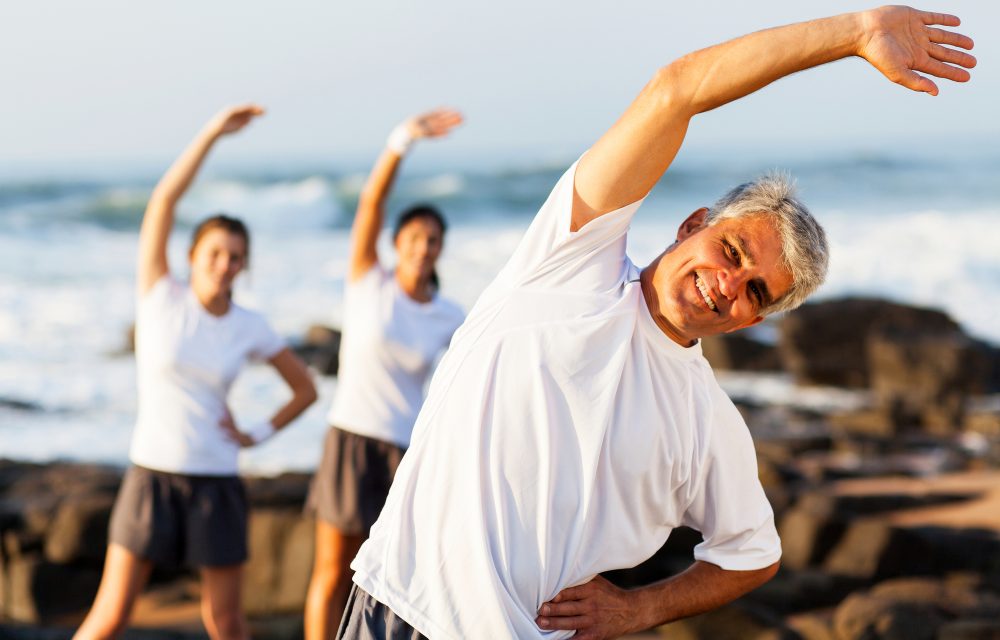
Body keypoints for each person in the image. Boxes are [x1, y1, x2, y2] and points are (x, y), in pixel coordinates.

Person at [340, 6, 975, 639]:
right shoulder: (568, 261)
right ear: (694, 224)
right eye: (731, 252)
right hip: (402, 609)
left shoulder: (707, 422)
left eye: (756, 291)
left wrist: (639, 609)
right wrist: (854, 33)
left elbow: (753, 553)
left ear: (755, 320)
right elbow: (676, 91)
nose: (728, 285)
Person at [74, 105, 318, 640]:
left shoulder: (250, 326)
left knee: (225, 621)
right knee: (111, 615)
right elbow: (163, 200)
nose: (224, 264)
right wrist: (212, 134)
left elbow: (305, 389)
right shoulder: (161, 296)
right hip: (151, 475)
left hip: (216, 480)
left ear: (244, 266)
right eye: (215, 253)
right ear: (192, 255)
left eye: (235, 257)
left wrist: (256, 434)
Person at [304, 109, 466, 640]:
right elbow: (371, 204)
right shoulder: (366, 282)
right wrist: (402, 141)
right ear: (397, 243)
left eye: (433, 241)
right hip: (351, 438)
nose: (423, 247)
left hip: (405, 453)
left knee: (391, 578)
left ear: (441, 250)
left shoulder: (448, 314)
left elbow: (472, 375)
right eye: (415, 237)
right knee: (332, 571)